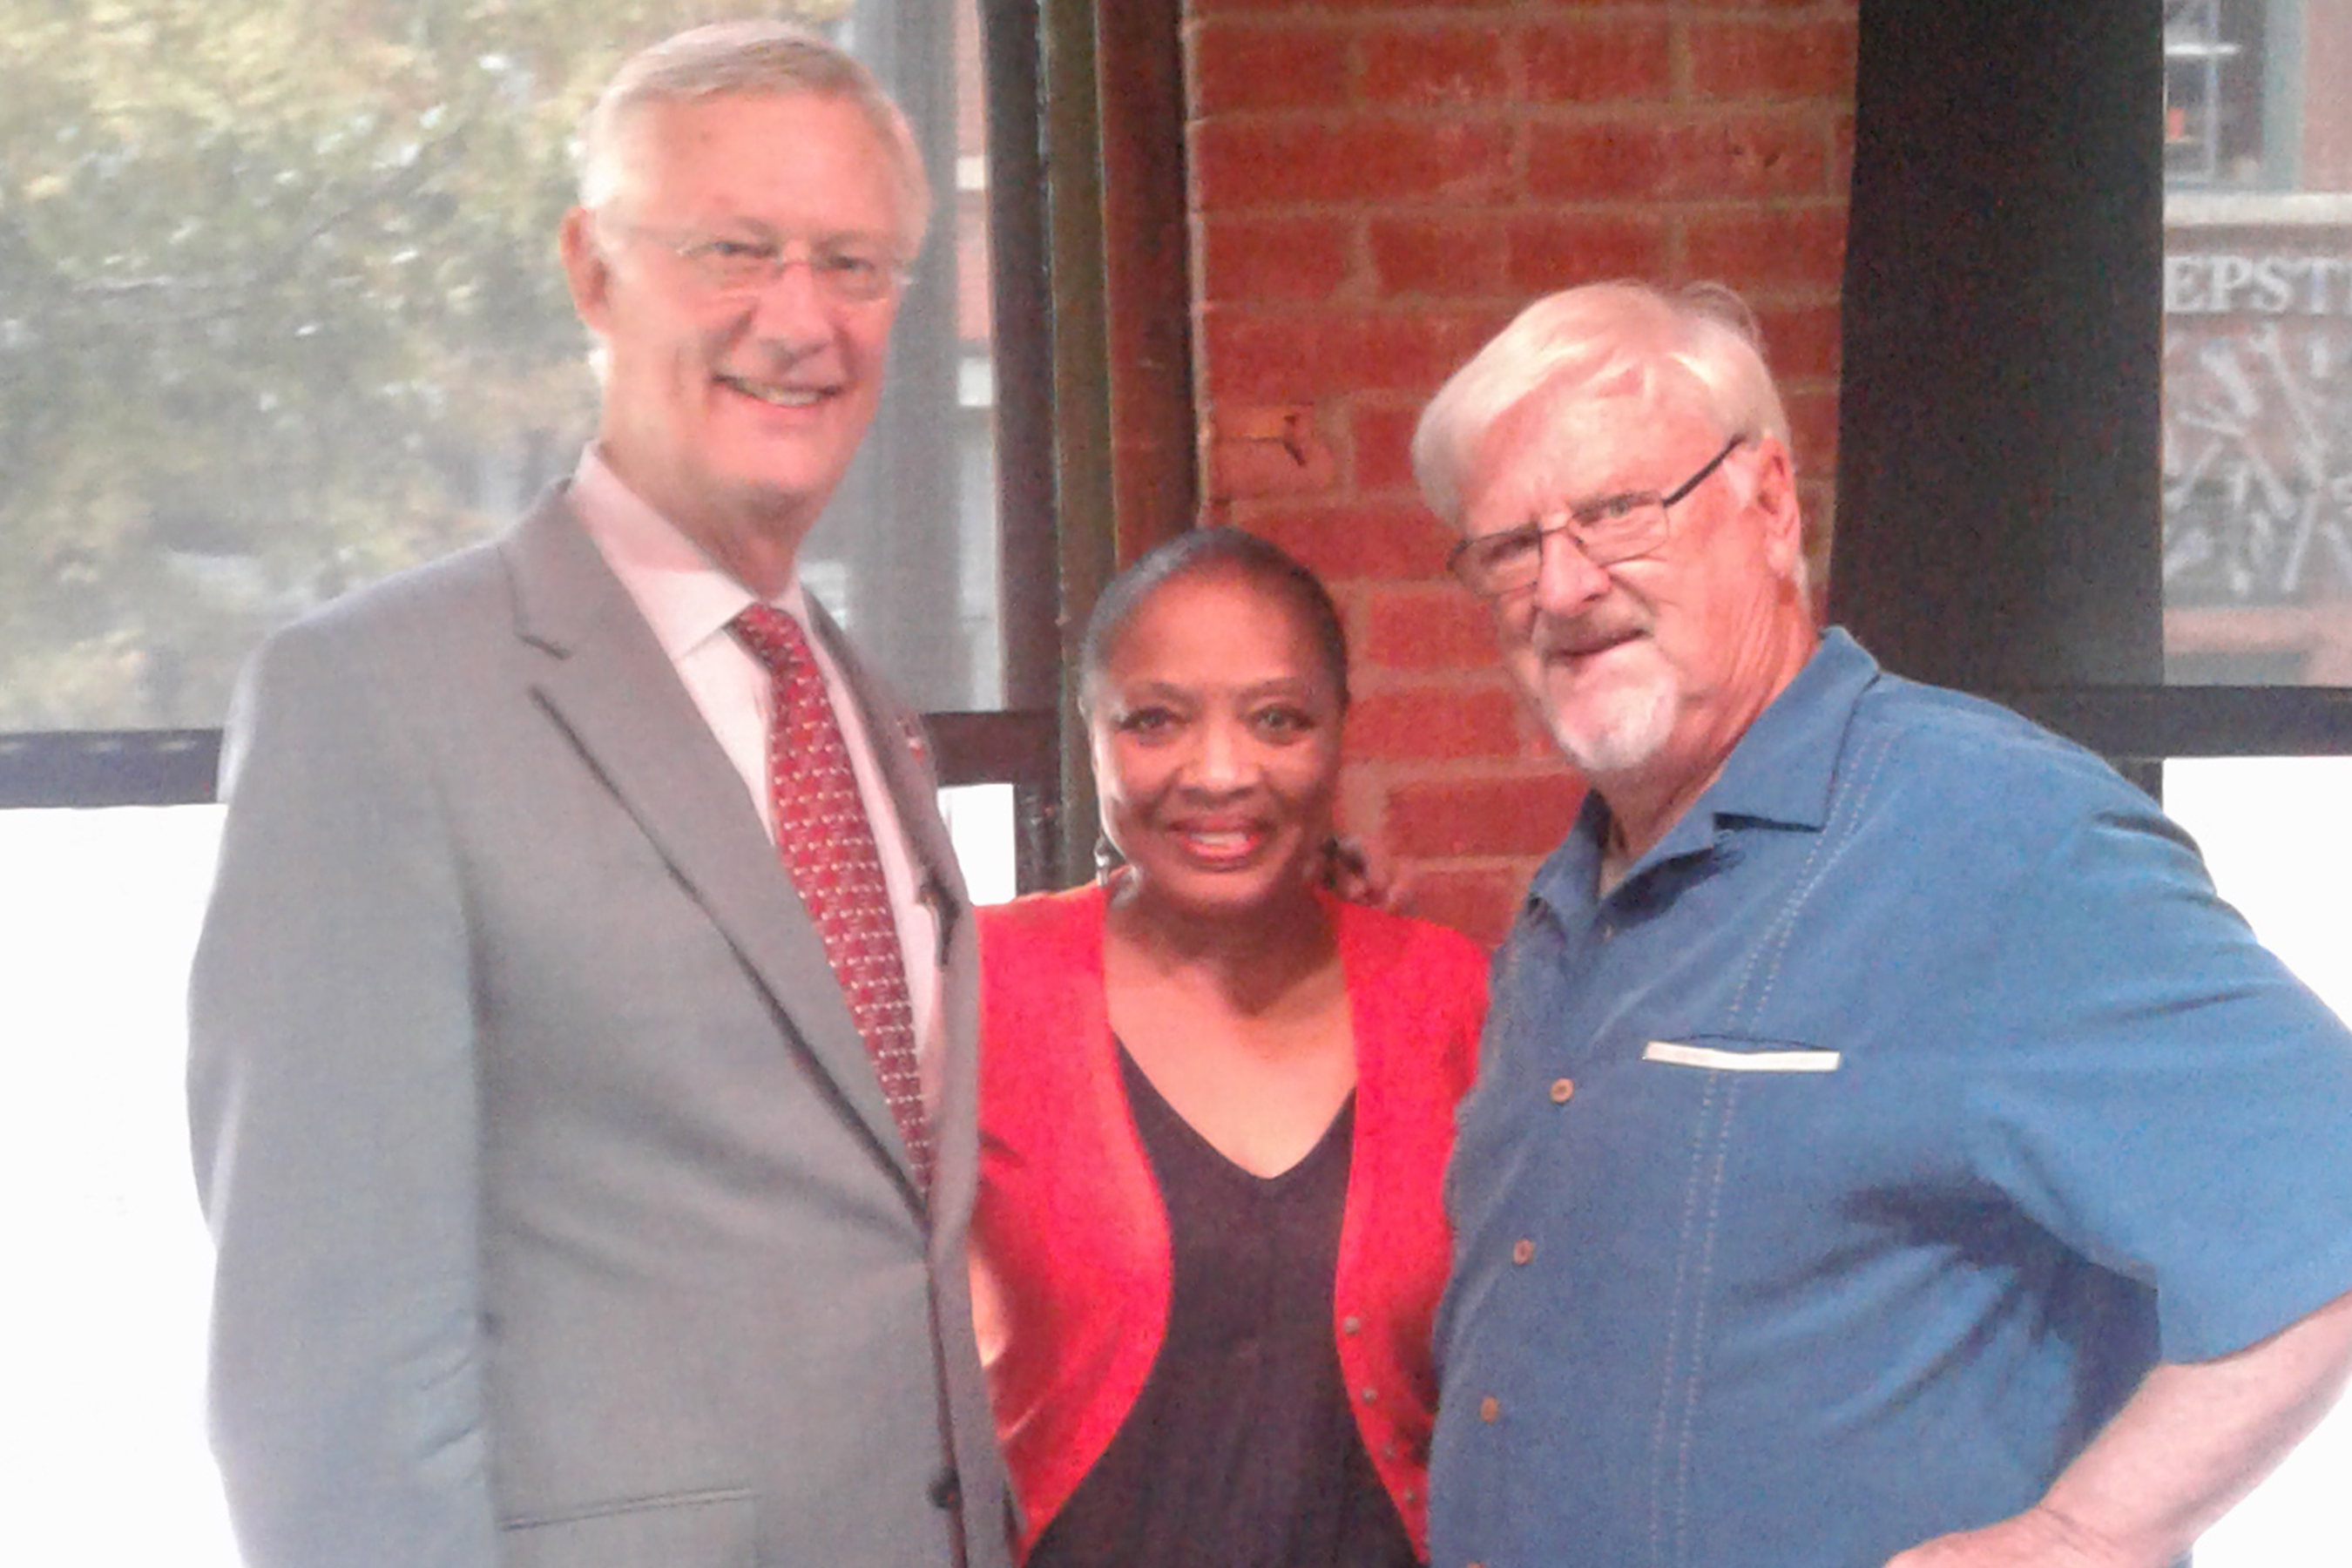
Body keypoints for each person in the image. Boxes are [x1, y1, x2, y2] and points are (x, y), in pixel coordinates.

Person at [187, 23, 1009, 1568]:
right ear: (591, 270)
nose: (800, 318)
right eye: (733, 250)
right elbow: (330, 1393)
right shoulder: (375, 705)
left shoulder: (870, 717)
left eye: (852, 263)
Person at [1411, 280, 2352, 1568]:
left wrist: (2093, 1532)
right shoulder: (1573, 901)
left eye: (1619, 513)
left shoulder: (1990, 836)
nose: (1562, 587)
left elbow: (2328, 1188)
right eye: (1509, 546)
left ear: (1771, 504)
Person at [968, 529, 1490, 1566]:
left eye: (1277, 720)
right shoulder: (981, 987)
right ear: (1093, 731)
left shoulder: (1452, 996)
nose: (1219, 772)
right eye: (1154, 720)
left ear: (1341, 732)